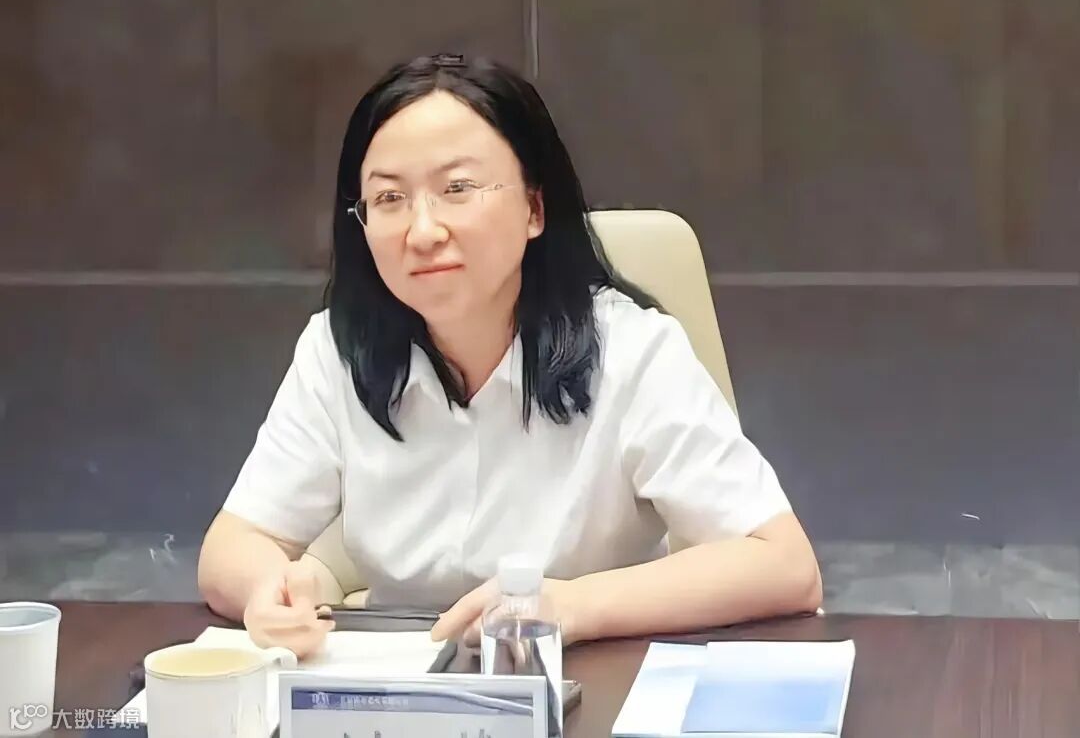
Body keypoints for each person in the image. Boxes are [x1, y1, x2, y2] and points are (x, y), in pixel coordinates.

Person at [197, 53, 822, 658]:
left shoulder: (633, 352)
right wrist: (268, 591)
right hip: (394, 687)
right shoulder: (337, 351)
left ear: (534, 208)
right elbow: (234, 544)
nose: (422, 231)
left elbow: (785, 565)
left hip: (588, 677)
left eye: (457, 188)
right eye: (389, 199)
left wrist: (573, 607)